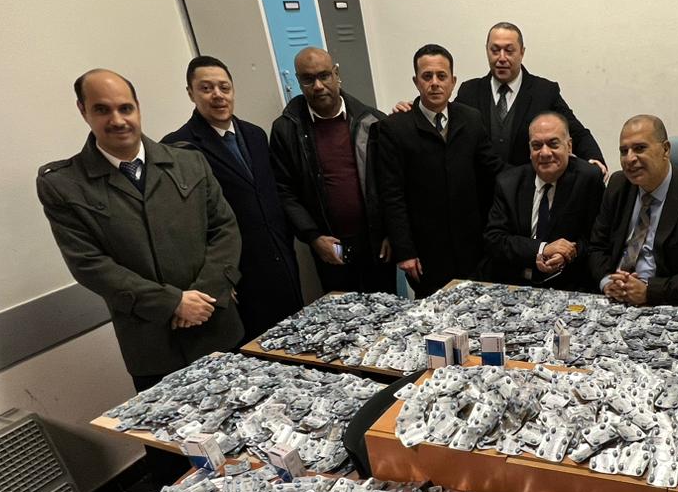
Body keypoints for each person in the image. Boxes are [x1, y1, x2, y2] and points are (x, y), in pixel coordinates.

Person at [37, 69, 243, 388]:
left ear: (137, 107)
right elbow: (90, 265)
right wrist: (172, 303)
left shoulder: (189, 162)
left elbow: (224, 229)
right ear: (83, 110)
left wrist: (205, 296)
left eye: (125, 108)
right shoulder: (65, 185)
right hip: (153, 345)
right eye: (102, 110)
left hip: (216, 327)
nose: (118, 120)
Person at [161, 55, 302, 342]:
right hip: (234, 278)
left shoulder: (255, 135)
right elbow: (184, 227)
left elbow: (273, 196)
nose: (218, 95)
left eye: (224, 87)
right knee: (254, 351)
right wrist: (217, 279)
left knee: (296, 342)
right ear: (190, 93)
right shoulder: (178, 148)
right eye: (206, 88)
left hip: (279, 263)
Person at [374, 44, 502, 298]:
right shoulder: (394, 128)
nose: (434, 83)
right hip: (425, 252)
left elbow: (493, 170)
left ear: (453, 81)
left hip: (472, 247)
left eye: (441, 76)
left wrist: (535, 174)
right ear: (416, 81)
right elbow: (391, 194)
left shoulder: (471, 119)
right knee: (433, 315)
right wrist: (405, 251)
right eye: (427, 76)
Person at [269, 47, 392, 295]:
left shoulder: (372, 121)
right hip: (329, 245)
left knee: (387, 308)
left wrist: (391, 232)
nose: (318, 86)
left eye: (324, 76)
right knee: (340, 314)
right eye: (308, 79)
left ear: (336, 74)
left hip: (376, 242)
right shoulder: (287, 130)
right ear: (298, 81)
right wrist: (313, 237)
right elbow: (284, 191)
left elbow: (390, 183)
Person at [586, 115, 678, 306]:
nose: (630, 158)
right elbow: (596, 247)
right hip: (614, 298)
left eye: (639, 148)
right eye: (624, 151)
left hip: (666, 304)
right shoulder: (618, 185)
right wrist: (607, 282)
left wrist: (649, 292)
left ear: (665, 150)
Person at [448, 22, 606, 175]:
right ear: (486, 51)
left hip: (527, 187)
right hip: (479, 189)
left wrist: (594, 159)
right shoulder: (469, 92)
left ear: (522, 52)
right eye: (495, 50)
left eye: (509, 51)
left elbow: (575, 131)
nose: (502, 58)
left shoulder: (544, 92)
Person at [483, 111, 604, 291]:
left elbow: (597, 240)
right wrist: (541, 249)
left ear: (569, 146)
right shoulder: (509, 183)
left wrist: (569, 253)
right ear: (529, 150)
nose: (545, 153)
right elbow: (495, 239)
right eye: (537, 145)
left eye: (553, 144)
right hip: (515, 284)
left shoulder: (588, 179)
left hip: (569, 287)